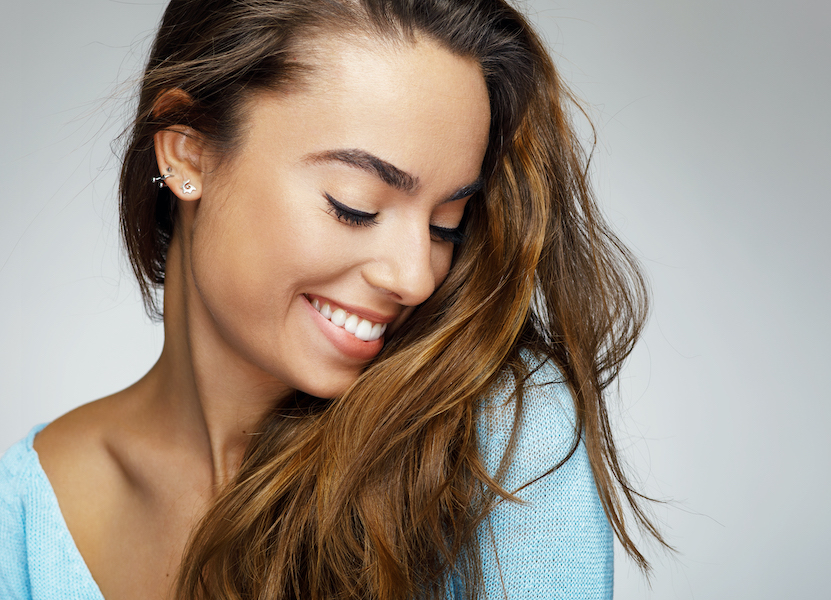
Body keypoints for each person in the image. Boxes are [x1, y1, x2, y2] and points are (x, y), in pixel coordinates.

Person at [0, 0, 666, 598]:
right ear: (188, 153)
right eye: (356, 207)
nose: (415, 278)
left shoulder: (504, 434)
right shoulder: (30, 514)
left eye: (445, 226)